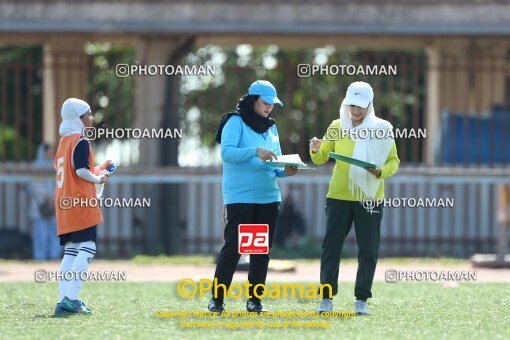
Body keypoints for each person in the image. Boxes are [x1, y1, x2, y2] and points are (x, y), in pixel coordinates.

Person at [309, 81, 400, 315]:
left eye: (360, 106)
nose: (356, 110)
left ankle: (361, 299)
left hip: (370, 197)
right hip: (338, 196)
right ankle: (326, 298)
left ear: (370, 105)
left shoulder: (383, 128)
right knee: (331, 247)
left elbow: (393, 161)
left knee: (368, 249)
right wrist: (316, 148)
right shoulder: (336, 126)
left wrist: (381, 171)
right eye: (352, 105)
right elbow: (321, 158)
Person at [208, 80, 298, 314]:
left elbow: (275, 163)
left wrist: (285, 171)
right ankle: (217, 300)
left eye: (272, 104)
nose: (269, 107)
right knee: (234, 248)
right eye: (265, 103)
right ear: (253, 100)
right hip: (240, 197)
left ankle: (254, 300)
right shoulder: (234, 121)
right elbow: (227, 153)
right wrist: (255, 152)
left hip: (268, 196)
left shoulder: (271, 127)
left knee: (260, 251)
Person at [53, 98, 112, 316]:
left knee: (71, 251)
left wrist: (99, 170)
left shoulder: (63, 143)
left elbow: (76, 170)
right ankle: (73, 298)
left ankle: (63, 300)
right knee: (88, 247)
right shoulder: (81, 140)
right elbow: (80, 172)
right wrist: (99, 180)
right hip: (80, 203)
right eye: (87, 114)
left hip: (64, 204)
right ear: (78, 118)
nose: (91, 117)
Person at [29, 143, 60, 260]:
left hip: (54, 205)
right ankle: (40, 257)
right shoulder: (35, 167)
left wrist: (55, 197)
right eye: (49, 152)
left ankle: (53, 256)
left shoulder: (56, 166)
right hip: (40, 206)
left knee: (55, 233)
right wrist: (49, 197)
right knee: (40, 234)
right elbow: (34, 187)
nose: (51, 154)